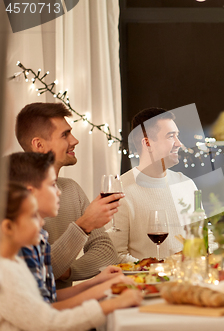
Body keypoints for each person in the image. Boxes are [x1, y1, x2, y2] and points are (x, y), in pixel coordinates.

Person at [0, 182, 142, 331]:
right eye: (33, 217)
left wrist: (95, 283)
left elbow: (45, 301)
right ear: (8, 227)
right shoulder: (6, 272)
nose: (42, 223)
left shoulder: (15, 263)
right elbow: (48, 322)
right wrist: (110, 305)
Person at [8, 151, 136, 310]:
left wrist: (96, 283)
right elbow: (41, 316)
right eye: (52, 184)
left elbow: (48, 298)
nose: (59, 192)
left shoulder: (39, 236)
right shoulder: (14, 245)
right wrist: (106, 299)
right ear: (31, 192)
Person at [15, 102, 120, 288]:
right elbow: (39, 267)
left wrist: (69, 272)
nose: (74, 140)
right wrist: (84, 224)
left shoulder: (71, 189)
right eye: (65, 134)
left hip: (62, 305)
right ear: (39, 145)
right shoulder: (13, 198)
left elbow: (106, 251)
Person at [110, 108, 200, 262]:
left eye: (177, 136)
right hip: (144, 283)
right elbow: (115, 255)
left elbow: (203, 237)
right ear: (147, 143)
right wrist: (163, 268)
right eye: (171, 136)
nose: (179, 143)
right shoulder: (119, 190)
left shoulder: (186, 184)